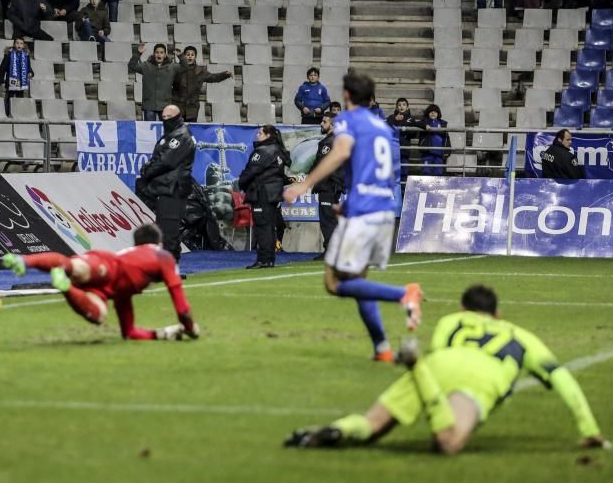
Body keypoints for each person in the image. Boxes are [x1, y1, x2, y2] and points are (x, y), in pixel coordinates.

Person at [284, 285, 609, 454]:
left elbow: (440, 353)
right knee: (448, 441)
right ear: (498, 314)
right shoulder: (518, 334)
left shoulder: (450, 321)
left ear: (463, 309)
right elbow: (561, 377)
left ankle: (337, 429)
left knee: (371, 427)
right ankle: (418, 372)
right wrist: (589, 428)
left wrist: (424, 373)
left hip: (436, 366)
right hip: (478, 377)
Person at [283, 73, 424, 361]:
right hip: (382, 207)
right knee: (358, 279)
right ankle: (382, 349)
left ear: (346, 96)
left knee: (334, 283)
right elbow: (381, 172)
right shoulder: (383, 128)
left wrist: (304, 184)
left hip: (364, 210)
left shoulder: (347, 120)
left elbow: (342, 152)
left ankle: (404, 294)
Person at [1, 223, 199, 341]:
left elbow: (129, 333)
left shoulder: (127, 288)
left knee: (98, 313)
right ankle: (25, 261)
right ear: (159, 243)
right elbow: (181, 306)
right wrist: (190, 328)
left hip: (106, 277)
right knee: (76, 269)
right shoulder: (163, 256)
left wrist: (163, 334)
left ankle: (64, 285)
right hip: (108, 265)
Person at [136, 106, 196, 262]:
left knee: (168, 229)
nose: (165, 119)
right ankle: (171, 265)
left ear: (177, 116)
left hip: (172, 187)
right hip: (167, 186)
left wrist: (146, 172)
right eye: (163, 116)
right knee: (167, 229)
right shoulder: (172, 134)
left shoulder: (180, 136)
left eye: (169, 116)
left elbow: (166, 161)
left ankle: (168, 266)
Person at [239, 125, 292, 269]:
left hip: (262, 192)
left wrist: (241, 183)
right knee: (268, 227)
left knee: (262, 227)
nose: (257, 135)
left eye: (260, 133)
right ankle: (268, 259)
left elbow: (251, 171)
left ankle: (263, 259)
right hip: (273, 193)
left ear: (268, 135)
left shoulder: (263, 151)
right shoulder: (278, 151)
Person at [310, 114, 345, 257]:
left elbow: (322, 165)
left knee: (327, 220)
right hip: (333, 185)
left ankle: (331, 251)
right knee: (331, 219)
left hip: (328, 185)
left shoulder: (329, 142)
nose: (321, 124)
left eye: (324, 121)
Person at [171, 47, 232, 122]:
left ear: (195, 57)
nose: (190, 56)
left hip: (192, 108)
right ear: (184, 56)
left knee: (190, 130)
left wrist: (225, 74)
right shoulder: (177, 69)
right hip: (177, 106)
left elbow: (214, 77)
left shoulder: (201, 71)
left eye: (192, 55)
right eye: (187, 54)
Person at [129, 43, 183, 121]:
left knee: (166, 129)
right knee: (149, 130)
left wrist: (181, 56)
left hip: (165, 105)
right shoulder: (146, 66)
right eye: (157, 52)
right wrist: (138, 53)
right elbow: (132, 65)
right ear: (154, 54)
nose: (159, 54)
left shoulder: (172, 67)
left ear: (165, 55)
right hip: (149, 105)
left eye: (161, 52)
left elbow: (185, 67)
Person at [0, 38, 34, 115]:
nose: (19, 45)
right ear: (14, 45)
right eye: (17, 43)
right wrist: (0, 80)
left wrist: (30, 72)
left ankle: (18, 114)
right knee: (9, 99)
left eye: (21, 43)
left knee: (19, 100)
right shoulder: (9, 54)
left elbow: (28, 67)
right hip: (10, 82)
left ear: (24, 45)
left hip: (21, 82)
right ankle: (7, 114)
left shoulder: (26, 55)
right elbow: (2, 68)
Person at [418, 104, 451, 175]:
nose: (433, 113)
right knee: (426, 172)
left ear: (438, 114)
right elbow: (418, 123)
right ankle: (425, 186)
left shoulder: (442, 123)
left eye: (435, 112)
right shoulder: (424, 122)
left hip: (439, 154)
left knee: (438, 173)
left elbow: (446, 138)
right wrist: (425, 125)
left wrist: (447, 151)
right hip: (427, 153)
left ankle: (437, 186)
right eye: (431, 112)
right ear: (427, 113)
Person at [386, 98, 417, 171]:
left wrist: (406, 128)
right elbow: (386, 127)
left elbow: (414, 134)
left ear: (407, 107)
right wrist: (395, 120)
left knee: (404, 171)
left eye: (404, 105)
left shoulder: (411, 119)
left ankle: (403, 182)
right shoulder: (391, 117)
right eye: (399, 105)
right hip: (393, 149)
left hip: (404, 148)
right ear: (396, 107)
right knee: (392, 172)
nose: (401, 106)